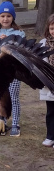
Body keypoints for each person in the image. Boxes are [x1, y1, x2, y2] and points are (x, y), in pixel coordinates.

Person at [0, 1, 25, 137]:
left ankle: (15, 124)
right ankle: (1, 121)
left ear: (13, 17)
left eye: (8, 16)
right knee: (1, 97)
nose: (5, 19)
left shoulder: (19, 33)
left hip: (14, 71)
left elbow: (21, 50)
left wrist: (8, 41)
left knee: (13, 97)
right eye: (2, 16)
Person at [39, 13, 54, 148]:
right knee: (50, 112)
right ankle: (50, 136)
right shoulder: (43, 44)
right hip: (49, 82)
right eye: (52, 28)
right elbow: (38, 62)